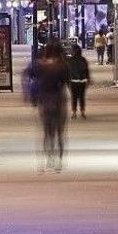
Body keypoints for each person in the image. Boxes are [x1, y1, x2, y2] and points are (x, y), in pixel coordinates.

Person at [25, 42, 69, 171]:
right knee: (60, 133)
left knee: (47, 132)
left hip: (44, 101)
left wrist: (31, 96)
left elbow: (28, 76)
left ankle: (49, 158)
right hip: (59, 100)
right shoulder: (62, 66)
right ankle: (59, 162)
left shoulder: (38, 66)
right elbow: (66, 82)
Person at [66, 41, 92, 118]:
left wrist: (67, 82)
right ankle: (82, 111)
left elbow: (68, 72)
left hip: (73, 81)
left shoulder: (70, 60)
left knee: (74, 97)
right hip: (82, 81)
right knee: (81, 96)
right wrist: (88, 79)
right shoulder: (83, 60)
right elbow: (86, 70)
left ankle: (74, 112)